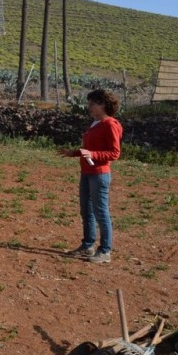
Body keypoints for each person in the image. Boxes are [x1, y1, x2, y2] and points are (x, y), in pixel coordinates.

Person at [60, 89, 123, 264]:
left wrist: (92, 155)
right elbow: (89, 149)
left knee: (101, 212)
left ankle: (105, 251)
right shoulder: (95, 123)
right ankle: (87, 246)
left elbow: (114, 153)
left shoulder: (110, 124)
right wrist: (73, 153)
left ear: (102, 104)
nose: (89, 107)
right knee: (86, 211)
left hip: (99, 174)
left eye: (92, 104)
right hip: (87, 172)